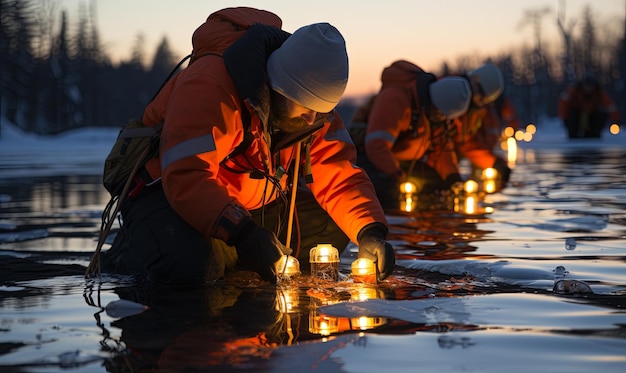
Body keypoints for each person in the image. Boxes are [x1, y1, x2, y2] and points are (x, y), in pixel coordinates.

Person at [101, 7, 395, 285]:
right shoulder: (211, 84)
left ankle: (233, 255)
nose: (312, 118)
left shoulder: (313, 111)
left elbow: (340, 174)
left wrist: (370, 231)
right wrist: (243, 234)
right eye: (306, 107)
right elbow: (186, 176)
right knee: (193, 268)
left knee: (330, 229)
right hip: (164, 195)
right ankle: (137, 249)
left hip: (240, 206)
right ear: (280, 86)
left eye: (322, 110)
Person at [349, 60, 471, 211]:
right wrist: (398, 176)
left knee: (438, 186)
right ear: (435, 106)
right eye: (441, 116)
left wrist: (453, 179)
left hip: (403, 164)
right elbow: (376, 146)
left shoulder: (434, 114)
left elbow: (441, 151)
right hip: (371, 159)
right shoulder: (395, 99)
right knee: (389, 191)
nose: (443, 120)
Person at [451, 63, 512, 187]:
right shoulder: (450, 96)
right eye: (481, 94)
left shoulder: (475, 110)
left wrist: (494, 163)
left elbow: (466, 143)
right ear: (474, 80)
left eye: (485, 100)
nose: (480, 100)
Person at [558, 74, 621, 138]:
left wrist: (616, 120)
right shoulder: (574, 91)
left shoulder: (599, 93)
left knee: (601, 114)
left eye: (591, 85)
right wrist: (564, 118)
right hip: (576, 115)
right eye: (587, 85)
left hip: (591, 115)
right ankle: (573, 134)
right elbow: (563, 103)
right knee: (572, 116)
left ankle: (593, 133)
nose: (588, 87)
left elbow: (610, 106)